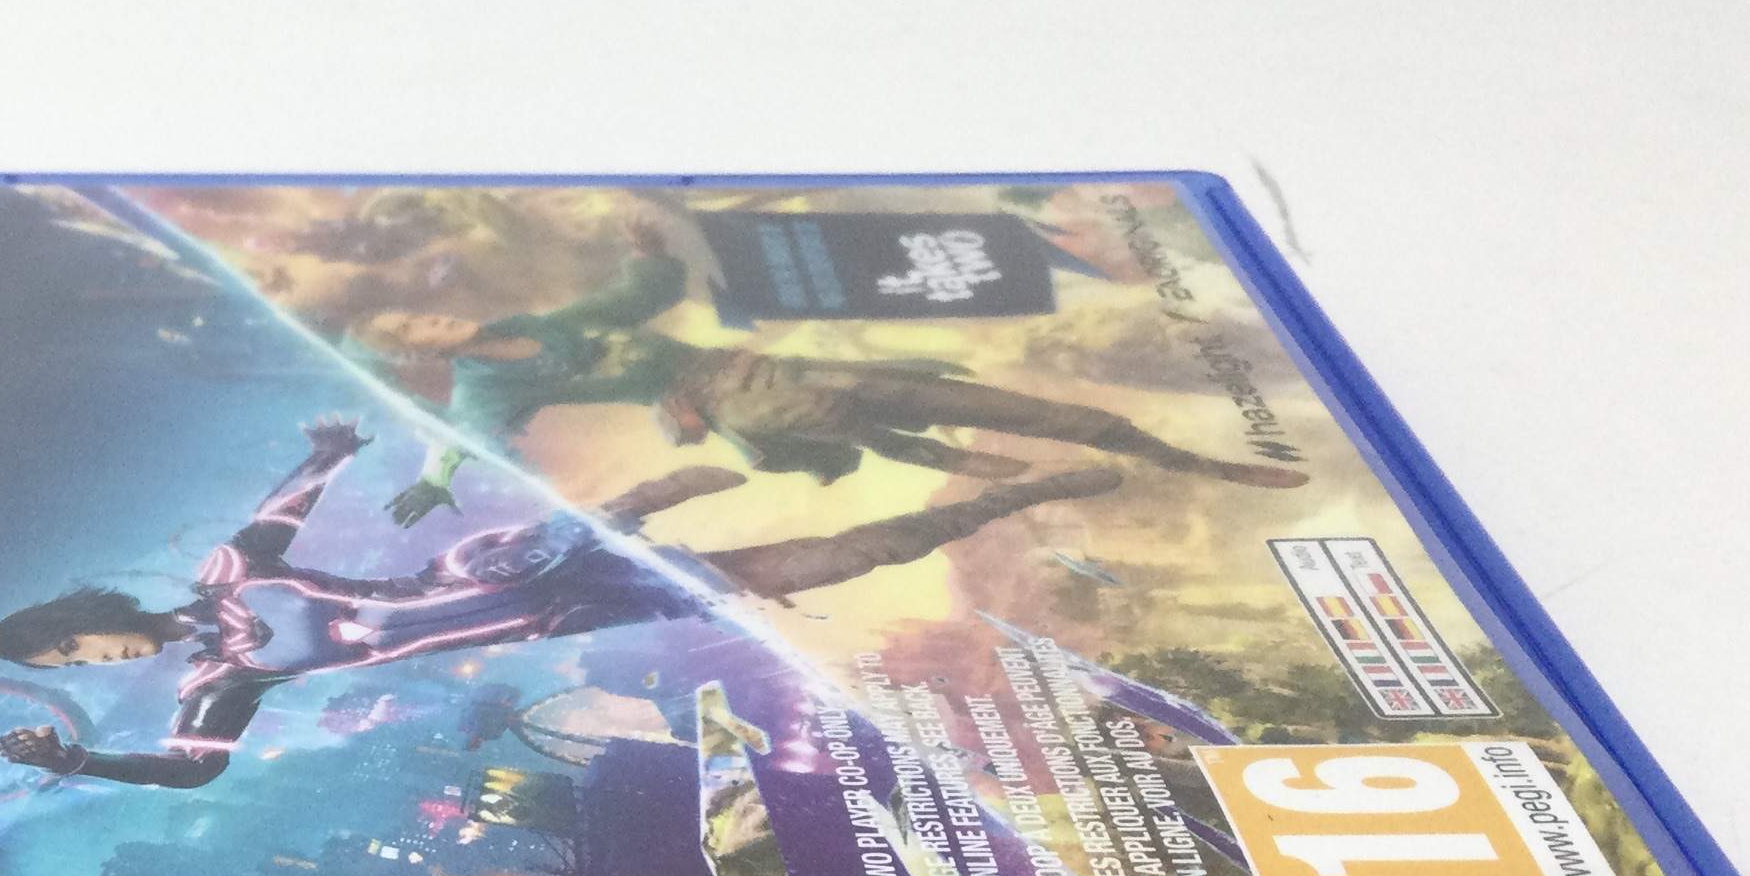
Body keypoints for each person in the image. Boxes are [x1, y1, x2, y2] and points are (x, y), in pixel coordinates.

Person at [0, 417, 1123, 790]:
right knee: (836, 561)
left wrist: (332, 452)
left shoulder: (228, 575)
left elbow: (277, 510)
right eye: (75, 674)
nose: (92, 664)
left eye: (73, 649)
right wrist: (76, 762)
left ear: (80, 616)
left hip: (489, 573)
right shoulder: (217, 682)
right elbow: (191, 771)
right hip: (566, 614)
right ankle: (1026, 492)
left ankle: (636, 499)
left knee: (506, 560)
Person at [358, 215, 1304, 523]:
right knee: (836, 421)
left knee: (967, 399)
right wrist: (437, 478)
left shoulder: (531, 322)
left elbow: (632, 297)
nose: (436, 318)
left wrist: (646, 250)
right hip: (731, 401)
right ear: (416, 353)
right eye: (414, 328)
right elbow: (461, 435)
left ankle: (1192, 461)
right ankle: (937, 458)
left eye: (422, 306)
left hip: (750, 360)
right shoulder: (489, 385)